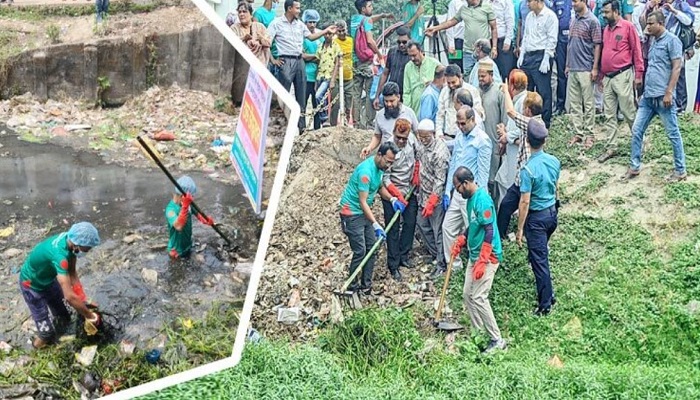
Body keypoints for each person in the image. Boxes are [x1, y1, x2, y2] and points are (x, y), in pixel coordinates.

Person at [623, 10, 687, 182]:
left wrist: (669, 92)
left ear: (661, 24)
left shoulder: (672, 41)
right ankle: (634, 166)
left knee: (673, 134)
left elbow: (676, 68)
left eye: (651, 23)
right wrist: (641, 93)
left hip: (663, 98)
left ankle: (680, 170)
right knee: (637, 130)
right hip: (649, 98)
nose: (648, 26)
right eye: (647, 23)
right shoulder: (652, 40)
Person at [19, 222, 102, 348]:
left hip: (49, 280)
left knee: (63, 316)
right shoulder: (59, 256)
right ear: (78, 245)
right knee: (46, 333)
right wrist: (90, 316)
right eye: (88, 248)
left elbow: (72, 274)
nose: (89, 251)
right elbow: (69, 297)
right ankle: (35, 351)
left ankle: (60, 337)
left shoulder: (69, 241)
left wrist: (82, 300)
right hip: (31, 286)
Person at [450, 167, 507, 353]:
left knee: (479, 297)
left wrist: (484, 258)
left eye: (457, 187)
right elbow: (475, 224)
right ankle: (478, 332)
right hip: (474, 255)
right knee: (468, 295)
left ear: (465, 183)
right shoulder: (470, 199)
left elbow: (490, 229)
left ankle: (497, 339)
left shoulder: (482, 199)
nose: (457, 191)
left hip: (487, 257)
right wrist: (462, 238)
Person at [339, 142, 399, 294]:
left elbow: (379, 187)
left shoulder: (379, 168)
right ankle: (351, 286)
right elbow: (363, 201)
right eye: (388, 161)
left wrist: (392, 199)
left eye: (392, 163)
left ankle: (366, 286)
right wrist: (376, 224)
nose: (389, 166)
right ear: (379, 155)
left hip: (363, 212)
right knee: (360, 250)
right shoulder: (366, 172)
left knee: (372, 247)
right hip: (351, 213)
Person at [267, 0, 336, 133]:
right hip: (285, 61)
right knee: (284, 96)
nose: (299, 10)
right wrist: (273, 60)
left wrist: (326, 31)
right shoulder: (277, 23)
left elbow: (311, 37)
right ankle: (282, 127)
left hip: (299, 61)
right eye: (297, 8)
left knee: (301, 97)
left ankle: (302, 128)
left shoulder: (300, 25)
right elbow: (267, 42)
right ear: (289, 9)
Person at [516, 119, 561, 316]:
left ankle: (546, 304)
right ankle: (547, 293)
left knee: (539, 262)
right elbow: (555, 185)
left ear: (527, 140)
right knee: (540, 255)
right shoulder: (554, 161)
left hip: (536, 219)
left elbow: (525, 202)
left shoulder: (527, 169)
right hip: (552, 213)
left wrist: (519, 229)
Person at [442, 106, 492, 272]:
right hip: (457, 193)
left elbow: (483, 172)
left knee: (473, 234)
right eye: (458, 123)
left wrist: (480, 198)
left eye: (463, 123)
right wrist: (448, 190)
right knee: (447, 228)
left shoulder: (482, 140)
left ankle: (475, 267)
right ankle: (454, 268)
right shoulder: (459, 136)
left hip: (471, 195)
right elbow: (454, 164)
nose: (460, 126)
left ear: (472, 120)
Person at [496, 84, 545, 239]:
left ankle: (516, 233)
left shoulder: (530, 123)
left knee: (520, 205)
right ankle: (503, 235)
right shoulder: (538, 125)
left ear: (528, 111)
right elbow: (523, 141)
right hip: (522, 176)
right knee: (506, 206)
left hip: (526, 175)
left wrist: (505, 91)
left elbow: (510, 112)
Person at [598, 0, 644, 163]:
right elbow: (605, 52)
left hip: (623, 75)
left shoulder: (628, 27)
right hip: (608, 77)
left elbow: (637, 51)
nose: (604, 16)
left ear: (616, 11)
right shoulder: (606, 30)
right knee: (609, 114)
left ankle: (639, 144)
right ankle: (611, 146)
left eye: (607, 12)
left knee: (628, 111)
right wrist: (601, 76)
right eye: (603, 12)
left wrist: (638, 74)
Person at [380, 119, 421, 281]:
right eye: (398, 137)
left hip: (409, 190)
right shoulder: (388, 148)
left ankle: (404, 255)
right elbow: (385, 178)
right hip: (392, 192)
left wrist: (417, 171)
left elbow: (419, 157)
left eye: (404, 138)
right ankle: (393, 264)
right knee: (393, 229)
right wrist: (396, 195)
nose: (401, 141)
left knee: (410, 223)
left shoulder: (412, 141)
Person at [414, 119, 451, 278]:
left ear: (433, 134)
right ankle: (436, 255)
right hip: (423, 193)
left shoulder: (440, 152)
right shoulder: (421, 145)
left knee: (438, 231)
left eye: (426, 137)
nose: (423, 140)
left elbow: (440, 180)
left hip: (434, 198)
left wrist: (433, 201)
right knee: (422, 225)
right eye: (421, 137)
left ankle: (442, 264)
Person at [425, 0, 498, 78]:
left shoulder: (487, 7)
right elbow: (451, 22)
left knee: (485, 77)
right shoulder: (463, 9)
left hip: (483, 52)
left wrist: (494, 47)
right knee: (467, 77)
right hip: (468, 51)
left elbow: (494, 28)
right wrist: (435, 28)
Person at [351, 0, 394, 129]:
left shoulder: (354, 19)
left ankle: (357, 123)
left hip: (355, 61)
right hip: (367, 61)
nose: (372, 8)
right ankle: (369, 123)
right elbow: (370, 41)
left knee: (356, 94)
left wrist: (382, 16)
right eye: (370, 6)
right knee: (371, 92)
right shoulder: (367, 21)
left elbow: (369, 20)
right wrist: (379, 55)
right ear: (364, 9)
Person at [566, 0, 602, 149]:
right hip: (573, 68)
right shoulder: (574, 19)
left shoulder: (593, 21)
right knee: (575, 103)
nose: (573, 4)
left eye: (575, 1)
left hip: (586, 67)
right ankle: (578, 133)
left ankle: (590, 134)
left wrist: (595, 68)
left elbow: (597, 45)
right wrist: (567, 64)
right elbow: (570, 44)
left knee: (588, 103)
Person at [518, 0, 558, 128]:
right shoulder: (529, 16)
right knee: (527, 90)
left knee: (543, 91)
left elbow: (552, 39)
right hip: (529, 55)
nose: (527, 4)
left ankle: (545, 123)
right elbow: (526, 36)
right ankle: (527, 120)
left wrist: (547, 57)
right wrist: (522, 53)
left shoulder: (550, 16)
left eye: (530, 1)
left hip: (541, 55)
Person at [495, 69, 528, 207]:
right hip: (510, 150)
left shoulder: (523, 101)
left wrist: (506, 136)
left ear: (512, 86)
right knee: (501, 179)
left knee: (510, 185)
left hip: (518, 153)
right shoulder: (518, 99)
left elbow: (524, 127)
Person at [361, 82, 420, 157]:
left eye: (392, 101)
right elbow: (377, 136)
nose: (389, 104)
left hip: (406, 158)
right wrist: (369, 148)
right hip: (386, 158)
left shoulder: (409, 113)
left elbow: (417, 134)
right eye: (386, 101)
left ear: (398, 97)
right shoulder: (379, 115)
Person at [477, 60, 508, 202]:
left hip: (495, 143)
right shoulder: (476, 91)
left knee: (493, 180)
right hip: (479, 144)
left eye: (483, 76)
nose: (481, 79)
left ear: (491, 75)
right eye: (479, 76)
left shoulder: (499, 92)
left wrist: (502, 142)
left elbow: (504, 120)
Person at [166, 176, 216, 260]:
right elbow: (178, 226)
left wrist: (206, 220)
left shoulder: (187, 204)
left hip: (187, 246)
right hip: (176, 252)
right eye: (191, 196)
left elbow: (198, 214)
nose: (192, 199)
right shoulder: (170, 209)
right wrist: (185, 206)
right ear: (182, 196)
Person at [660, 0, 694, 113]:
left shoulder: (682, 5)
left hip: (678, 44)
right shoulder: (661, 6)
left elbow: (688, 21)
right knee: (665, 74)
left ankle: (681, 106)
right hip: (664, 45)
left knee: (679, 75)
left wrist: (674, 11)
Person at [436, 65, 484, 140]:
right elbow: (440, 115)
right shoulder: (444, 91)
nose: (451, 85)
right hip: (447, 136)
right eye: (448, 83)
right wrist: (439, 134)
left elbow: (479, 114)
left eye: (453, 82)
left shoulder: (472, 91)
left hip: (466, 137)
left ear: (460, 77)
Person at [374, 26, 412, 108]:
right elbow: (385, 74)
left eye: (404, 42)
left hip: (406, 96)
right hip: (391, 95)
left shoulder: (413, 55)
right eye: (399, 42)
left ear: (410, 41)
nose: (401, 45)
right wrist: (377, 96)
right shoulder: (392, 52)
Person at [402, 42, 442, 116]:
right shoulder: (408, 66)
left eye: (414, 55)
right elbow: (406, 92)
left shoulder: (434, 64)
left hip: (431, 107)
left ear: (421, 51)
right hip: (415, 109)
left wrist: (433, 84)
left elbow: (443, 84)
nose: (412, 59)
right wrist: (407, 112)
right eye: (410, 56)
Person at [315, 23, 342, 126]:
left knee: (318, 96)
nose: (327, 36)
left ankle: (324, 118)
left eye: (330, 34)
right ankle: (324, 121)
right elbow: (318, 62)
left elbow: (337, 64)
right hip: (320, 76)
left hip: (328, 76)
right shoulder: (320, 47)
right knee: (322, 98)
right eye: (326, 34)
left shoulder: (335, 46)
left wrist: (333, 80)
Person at [302, 9, 323, 131]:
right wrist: (315, 57)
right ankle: (302, 129)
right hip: (305, 76)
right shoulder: (302, 36)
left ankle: (317, 129)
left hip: (318, 76)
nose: (312, 24)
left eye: (314, 22)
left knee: (317, 105)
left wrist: (312, 57)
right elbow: (302, 55)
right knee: (303, 105)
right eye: (309, 22)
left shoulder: (320, 36)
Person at [551, 0, 572, 116]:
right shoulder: (556, 2)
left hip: (575, 39)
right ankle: (561, 104)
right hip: (560, 40)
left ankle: (574, 106)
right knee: (561, 74)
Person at [332, 21, 355, 126]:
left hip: (349, 77)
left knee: (348, 104)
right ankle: (332, 125)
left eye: (343, 31)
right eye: (339, 31)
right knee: (335, 104)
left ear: (346, 30)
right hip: (336, 77)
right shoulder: (334, 41)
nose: (341, 33)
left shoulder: (351, 41)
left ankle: (346, 125)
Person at [492, 0, 516, 78]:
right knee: (493, 72)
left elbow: (510, 21)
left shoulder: (506, 2)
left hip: (503, 40)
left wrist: (508, 40)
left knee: (506, 72)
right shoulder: (486, 2)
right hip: (490, 41)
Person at [445, 0, 467, 69]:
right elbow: (449, 23)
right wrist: (451, 44)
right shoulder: (454, 3)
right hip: (457, 41)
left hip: (469, 42)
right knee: (457, 67)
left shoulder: (473, 2)